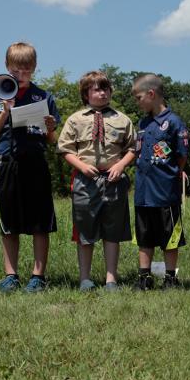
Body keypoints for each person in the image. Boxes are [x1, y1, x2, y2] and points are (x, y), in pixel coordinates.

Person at [0, 42, 60, 293]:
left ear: (34, 68)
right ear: (7, 67)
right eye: (16, 70)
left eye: (26, 70)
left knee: (40, 221)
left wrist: (49, 128)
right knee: (9, 221)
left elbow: (52, 140)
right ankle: (11, 275)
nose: (21, 75)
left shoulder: (44, 96)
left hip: (35, 162)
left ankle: (38, 276)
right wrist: (5, 112)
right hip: (8, 161)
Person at [57, 71, 136, 291]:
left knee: (113, 230)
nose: (101, 93)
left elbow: (132, 148)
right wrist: (81, 166)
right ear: (86, 94)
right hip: (85, 181)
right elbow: (65, 149)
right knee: (85, 230)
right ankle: (85, 279)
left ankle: (111, 278)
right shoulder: (75, 119)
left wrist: (121, 165)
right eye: (95, 89)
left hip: (113, 180)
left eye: (105, 88)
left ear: (110, 91)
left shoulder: (122, 119)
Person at [131, 74, 189, 290]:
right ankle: (144, 277)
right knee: (144, 238)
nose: (136, 103)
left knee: (169, 238)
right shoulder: (143, 123)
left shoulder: (174, 122)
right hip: (143, 194)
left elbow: (181, 156)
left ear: (151, 94)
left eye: (138, 98)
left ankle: (171, 278)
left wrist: (170, 174)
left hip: (166, 193)